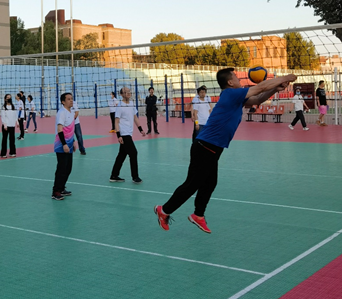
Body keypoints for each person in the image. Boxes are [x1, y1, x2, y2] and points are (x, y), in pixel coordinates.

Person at [154, 68, 296, 233]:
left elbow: (257, 99)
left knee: (210, 183)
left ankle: (198, 215)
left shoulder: (235, 97)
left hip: (213, 148)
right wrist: (284, 78)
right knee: (192, 184)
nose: (239, 80)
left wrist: (275, 89)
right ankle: (164, 210)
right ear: (230, 82)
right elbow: (260, 88)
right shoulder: (230, 93)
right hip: (205, 146)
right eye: (236, 77)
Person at [109, 87, 146, 184]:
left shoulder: (131, 104)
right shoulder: (120, 106)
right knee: (133, 153)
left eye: (129, 91)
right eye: (126, 92)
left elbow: (135, 117)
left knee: (122, 155)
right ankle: (135, 177)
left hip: (129, 132)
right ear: (121, 95)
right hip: (124, 133)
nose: (128, 93)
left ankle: (114, 175)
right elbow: (116, 121)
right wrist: (119, 135)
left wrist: (140, 129)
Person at [52, 92, 75, 201]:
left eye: (72, 98)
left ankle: (61, 188)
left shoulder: (71, 112)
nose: (71, 100)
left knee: (68, 168)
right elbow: (60, 130)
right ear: (63, 102)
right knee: (61, 169)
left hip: (69, 145)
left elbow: (70, 130)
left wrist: (73, 142)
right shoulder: (61, 113)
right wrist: (64, 144)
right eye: (68, 99)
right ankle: (55, 191)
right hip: (61, 145)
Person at [0, 94, 17, 158]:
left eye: (10, 97)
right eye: (7, 97)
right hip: (6, 126)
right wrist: (5, 124)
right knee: (4, 140)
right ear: (5, 99)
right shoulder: (4, 107)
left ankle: (12, 152)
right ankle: (3, 153)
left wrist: (17, 122)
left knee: (12, 139)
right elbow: (3, 116)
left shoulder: (13, 106)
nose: (9, 99)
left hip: (12, 125)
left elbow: (15, 115)